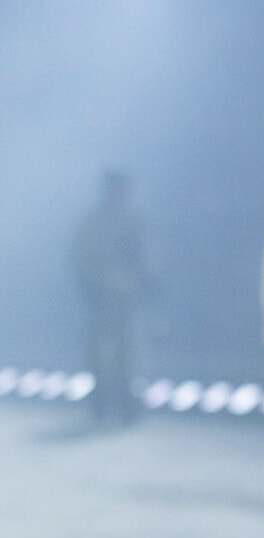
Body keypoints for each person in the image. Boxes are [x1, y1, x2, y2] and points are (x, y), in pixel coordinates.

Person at [70, 169, 149, 428]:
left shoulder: (135, 221)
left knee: (128, 355)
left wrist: (134, 282)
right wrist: (104, 281)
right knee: (100, 356)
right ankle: (101, 406)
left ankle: (126, 405)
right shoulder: (93, 223)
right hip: (101, 301)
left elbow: (149, 259)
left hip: (128, 302)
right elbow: (83, 259)